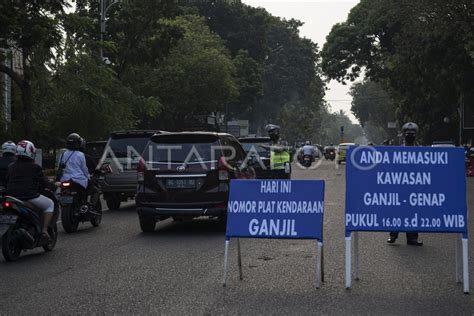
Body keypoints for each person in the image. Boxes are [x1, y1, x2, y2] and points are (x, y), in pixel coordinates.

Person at [5, 140, 55, 240]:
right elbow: (44, 182)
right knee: (50, 204)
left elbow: (7, 181)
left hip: (11, 197)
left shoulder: (11, 167)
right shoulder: (35, 167)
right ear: (31, 152)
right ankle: (44, 230)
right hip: (29, 197)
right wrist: (54, 187)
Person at [387, 122, 423, 246]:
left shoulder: (421, 151)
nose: (410, 136)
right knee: (397, 210)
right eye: (408, 134)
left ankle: (412, 238)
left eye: (412, 134)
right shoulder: (397, 151)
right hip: (400, 186)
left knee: (413, 212)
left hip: (415, 186)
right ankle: (393, 235)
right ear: (403, 135)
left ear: (415, 136)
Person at [57, 133, 90, 203]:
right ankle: (84, 204)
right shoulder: (81, 155)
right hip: (78, 180)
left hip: (65, 179)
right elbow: (84, 169)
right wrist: (88, 176)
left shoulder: (63, 154)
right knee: (87, 190)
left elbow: (60, 167)